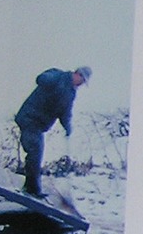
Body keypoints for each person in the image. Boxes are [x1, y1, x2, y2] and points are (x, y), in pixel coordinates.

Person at [15, 65, 90, 198]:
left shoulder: (71, 93)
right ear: (78, 74)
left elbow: (65, 112)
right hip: (29, 118)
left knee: (36, 152)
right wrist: (53, 80)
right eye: (82, 80)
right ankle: (32, 189)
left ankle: (30, 187)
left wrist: (67, 127)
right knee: (35, 151)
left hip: (38, 124)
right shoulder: (58, 75)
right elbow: (41, 79)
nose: (81, 84)